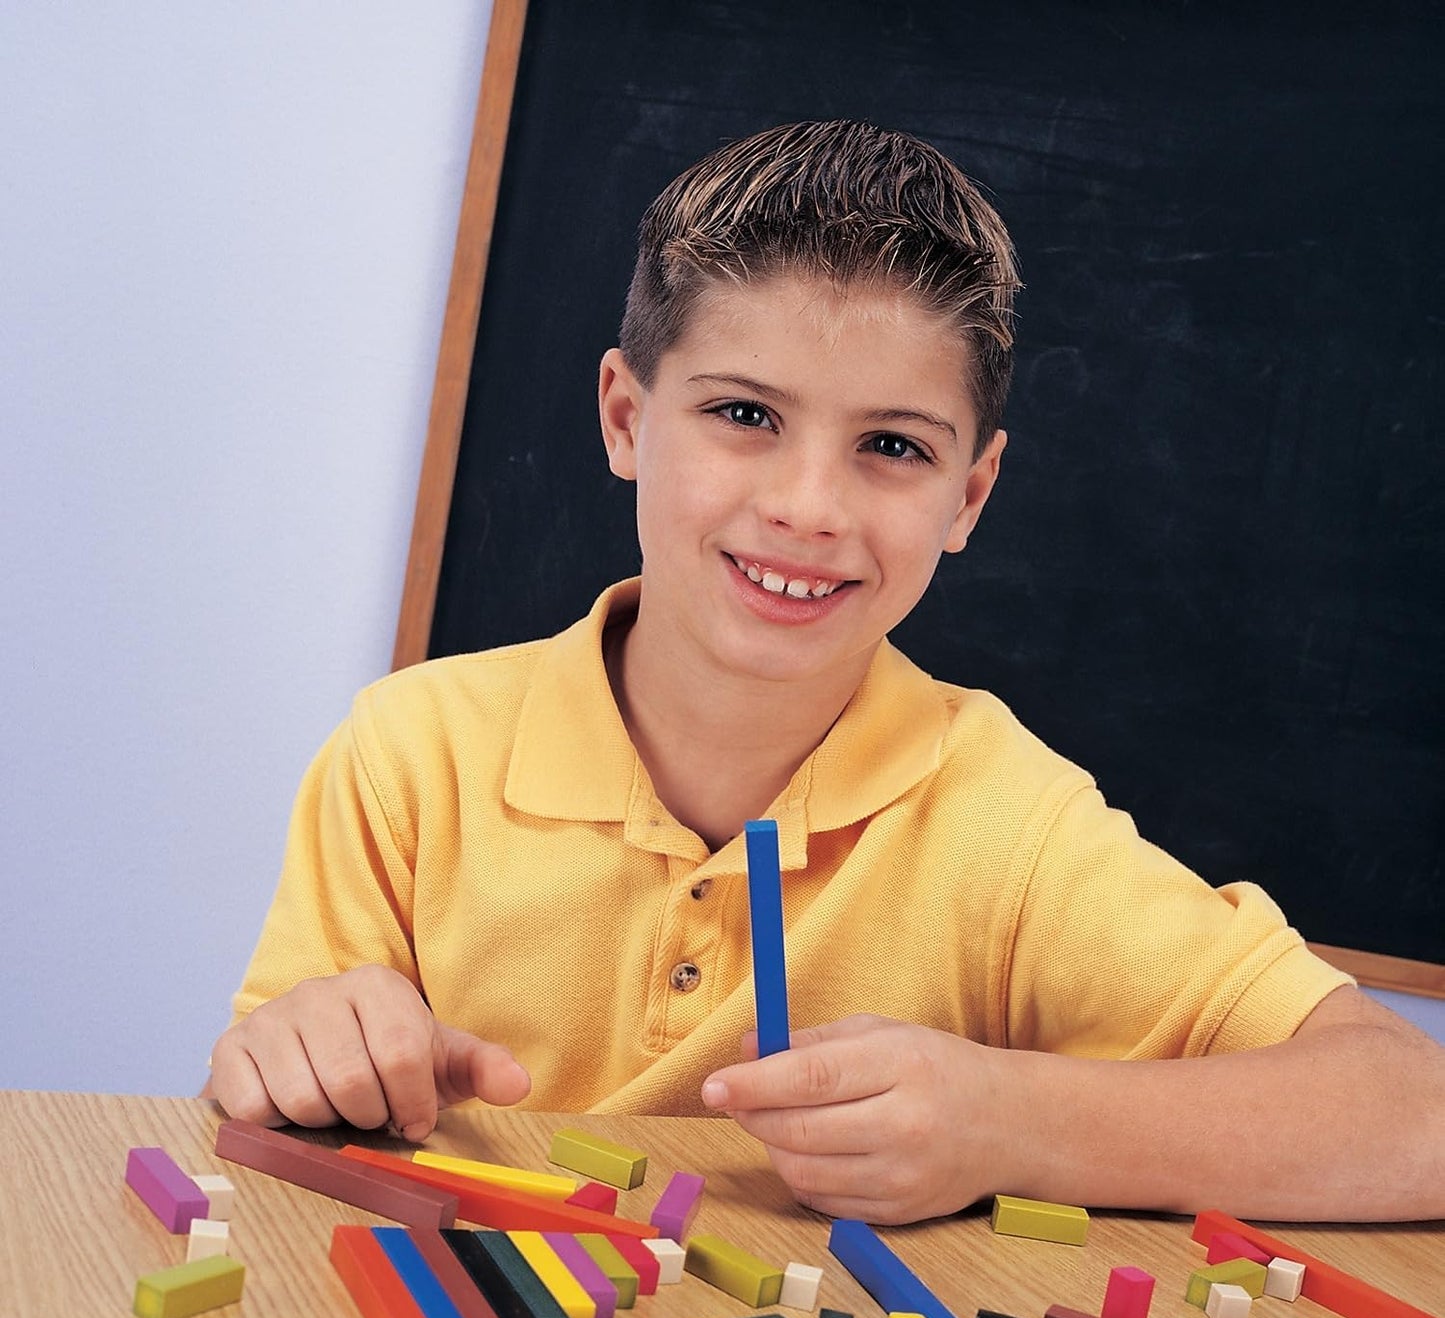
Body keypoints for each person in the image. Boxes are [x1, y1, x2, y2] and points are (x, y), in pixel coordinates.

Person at [206, 120, 1444, 1225]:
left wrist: (1003, 1118)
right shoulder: (413, 755)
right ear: (626, 418)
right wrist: (298, 1055)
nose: (806, 507)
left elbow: (1412, 1112)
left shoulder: (1007, 828)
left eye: (890, 446)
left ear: (969, 495)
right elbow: (260, 1110)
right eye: (744, 414)